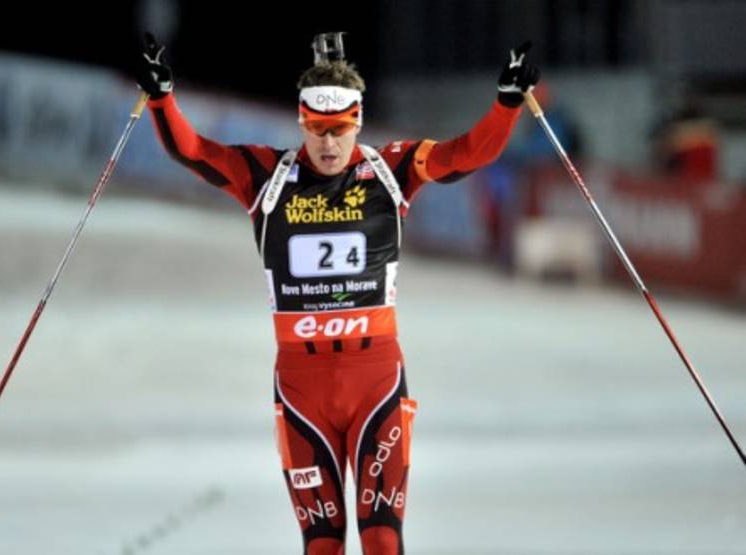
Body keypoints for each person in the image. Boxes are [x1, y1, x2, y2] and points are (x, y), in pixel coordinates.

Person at [135, 31, 538, 555]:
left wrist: (506, 104)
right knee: (323, 544)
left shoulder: (392, 170)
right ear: (301, 122)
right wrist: (162, 98)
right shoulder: (266, 176)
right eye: (317, 130)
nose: (328, 144)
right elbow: (193, 151)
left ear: (358, 122)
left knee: (382, 539)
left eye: (340, 130)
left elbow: (465, 154)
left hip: (376, 384)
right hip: (302, 392)